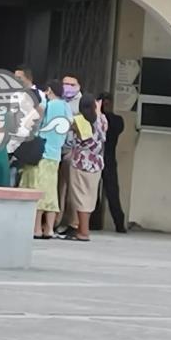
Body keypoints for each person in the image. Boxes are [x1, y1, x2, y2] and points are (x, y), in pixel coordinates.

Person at [20, 79, 72, 239]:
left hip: (41, 153)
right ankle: (49, 228)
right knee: (50, 192)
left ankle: (36, 228)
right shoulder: (66, 107)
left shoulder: (47, 105)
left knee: (37, 191)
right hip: (55, 154)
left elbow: (35, 124)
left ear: (49, 90)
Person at [63, 94, 108, 242]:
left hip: (81, 162)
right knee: (90, 197)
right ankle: (84, 229)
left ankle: (83, 231)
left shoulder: (79, 121)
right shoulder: (102, 120)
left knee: (79, 197)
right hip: (96, 164)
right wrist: (99, 111)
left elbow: (84, 139)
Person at [94, 92, 127, 233]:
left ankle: (116, 223)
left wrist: (100, 112)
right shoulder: (115, 120)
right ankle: (115, 223)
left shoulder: (113, 120)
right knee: (100, 192)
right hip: (103, 158)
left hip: (103, 157)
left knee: (108, 192)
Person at [57, 73, 83, 234]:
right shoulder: (58, 100)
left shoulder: (82, 103)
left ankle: (72, 222)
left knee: (72, 188)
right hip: (57, 148)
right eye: (65, 83)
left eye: (71, 84)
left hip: (72, 149)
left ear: (78, 86)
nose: (67, 87)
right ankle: (57, 220)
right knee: (59, 188)